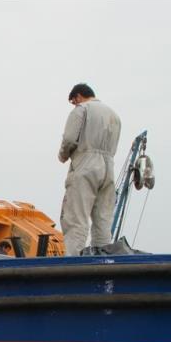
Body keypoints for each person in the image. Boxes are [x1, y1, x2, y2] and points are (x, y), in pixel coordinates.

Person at [58, 83, 122, 255]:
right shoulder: (114, 115)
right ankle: (101, 264)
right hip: (109, 168)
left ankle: (73, 265)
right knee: (103, 222)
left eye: (73, 101)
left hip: (86, 164)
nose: (74, 104)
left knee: (76, 219)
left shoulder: (81, 110)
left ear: (78, 97)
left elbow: (70, 139)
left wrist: (62, 155)